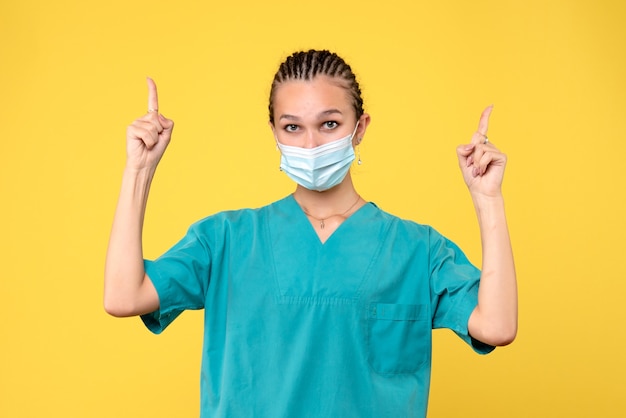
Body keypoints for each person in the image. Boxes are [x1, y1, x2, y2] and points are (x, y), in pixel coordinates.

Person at [104, 49, 517, 417]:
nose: (312, 144)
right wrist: (139, 171)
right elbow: (125, 296)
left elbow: (496, 327)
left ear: (360, 127)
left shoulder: (417, 251)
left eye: (330, 123)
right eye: (293, 128)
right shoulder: (226, 240)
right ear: (274, 133)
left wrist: (487, 198)